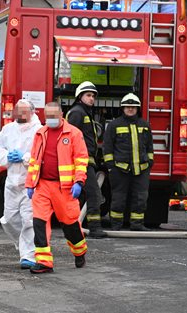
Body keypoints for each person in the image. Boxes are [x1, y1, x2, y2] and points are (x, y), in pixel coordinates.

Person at [25, 102, 89, 273]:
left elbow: (81, 160)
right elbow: (34, 160)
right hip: (43, 185)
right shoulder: (40, 133)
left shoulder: (74, 134)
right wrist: (30, 184)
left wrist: (79, 182)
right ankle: (44, 262)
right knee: (39, 222)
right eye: (48, 116)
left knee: (70, 225)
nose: (51, 119)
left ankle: (79, 251)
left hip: (65, 188)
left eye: (54, 115)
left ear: (62, 114)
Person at [0, 99, 42, 269]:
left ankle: (28, 255)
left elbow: (42, 154)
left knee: (29, 220)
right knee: (9, 219)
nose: (21, 115)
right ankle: (22, 243)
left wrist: (26, 157)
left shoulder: (39, 130)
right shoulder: (8, 129)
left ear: (32, 112)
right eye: (18, 111)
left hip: (31, 183)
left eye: (24, 111)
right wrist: (6, 156)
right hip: (12, 182)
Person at [103, 93, 154, 231]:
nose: (130, 109)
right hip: (120, 169)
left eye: (133, 107)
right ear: (123, 108)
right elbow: (107, 147)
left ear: (138, 108)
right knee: (118, 198)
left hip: (141, 169)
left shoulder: (144, 125)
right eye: (127, 107)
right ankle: (116, 225)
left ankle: (137, 225)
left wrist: (149, 161)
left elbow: (149, 146)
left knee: (140, 198)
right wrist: (111, 167)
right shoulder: (114, 125)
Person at [66, 81, 107, 238]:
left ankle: (77, 225)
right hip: (80, 161)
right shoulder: (77, 113)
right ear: (79, 96)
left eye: (93, 96)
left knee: (85, 195)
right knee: (94, 193)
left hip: (86, 160)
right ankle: (95, 227)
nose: (91, 99)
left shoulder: (85, 112)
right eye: (88, 95)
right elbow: (70, 139)